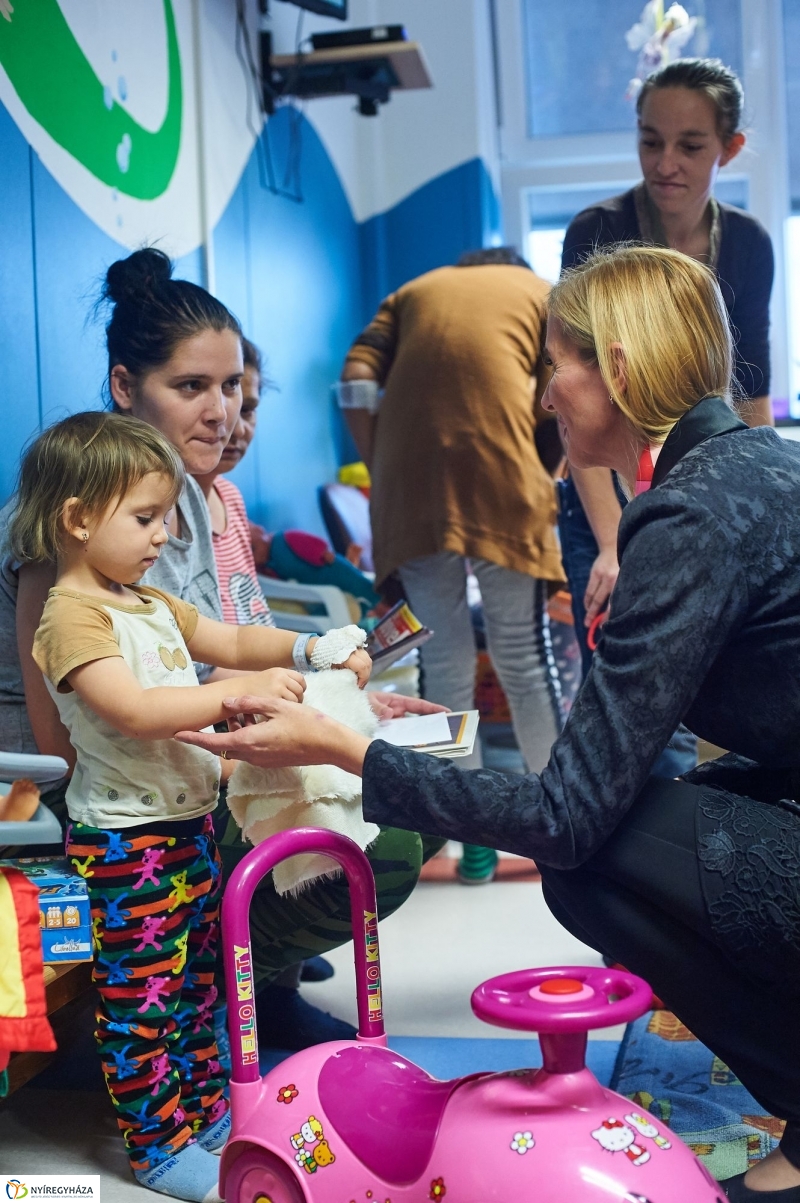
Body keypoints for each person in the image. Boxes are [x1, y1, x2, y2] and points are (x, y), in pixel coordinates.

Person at [181, 245, 800, 1202]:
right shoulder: (753, 462)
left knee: (586, 854)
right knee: (651, 811)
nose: (545, 394)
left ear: (620, 371)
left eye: (554, 363)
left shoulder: (689, 516)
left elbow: (567, 814)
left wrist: (349, 746)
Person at [0, 247, 444, 1051]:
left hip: (181, 752)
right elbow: (65, 742)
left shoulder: (186, 496)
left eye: (234, 386)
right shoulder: (70, 532)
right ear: (126, 386)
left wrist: (334, 695)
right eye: (192, 387)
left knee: (410, 786)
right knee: (384, 842)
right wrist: (246, 754)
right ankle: (200, 996)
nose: (222, 411)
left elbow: (224, 645)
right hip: (97, 789)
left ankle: (249, 988)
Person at [8, 411, 371, 1200]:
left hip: (186, 830)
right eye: (145, 516)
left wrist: (315, 648)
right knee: (144, 998)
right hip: (124, 846)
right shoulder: (71, 614)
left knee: (196, 984)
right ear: (76, 519)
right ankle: (160, 1145)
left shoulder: (144, 600)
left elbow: (233, 640)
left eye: (167, 513)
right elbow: (133, 708)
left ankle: (206, 1113)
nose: (165, 532)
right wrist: (233, 694)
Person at [340, 245, 565, 882]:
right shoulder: (536, 290)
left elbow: (354, 381)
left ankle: (472, 844)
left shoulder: (410, 289)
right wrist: (544, 472)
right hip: (501, 477)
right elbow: (562, 395)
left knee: (443, 661)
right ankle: (563, 826)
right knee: (522, 655)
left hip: (409, 490)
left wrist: (380, 462)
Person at [559, 58, 774, 696]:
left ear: (729, 150)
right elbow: (584, 405)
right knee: (626, 688)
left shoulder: (748, 243)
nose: (665, 163)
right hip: (605, 485)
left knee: (703, 688)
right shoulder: (599, 231)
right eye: (650, 142)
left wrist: (756, 509)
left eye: (690, 145)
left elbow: (750, 393)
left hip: (699, 490)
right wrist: (614, 545)